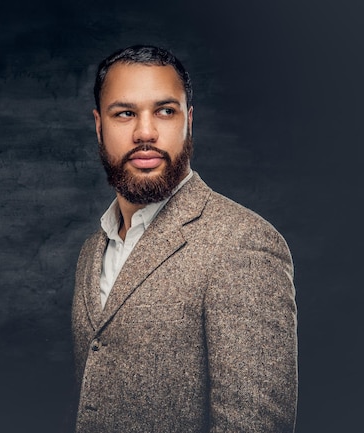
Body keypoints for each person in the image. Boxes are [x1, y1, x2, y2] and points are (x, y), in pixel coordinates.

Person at [71, 45, 298, 433]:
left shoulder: (243, 242)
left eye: (165, 110)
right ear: (98, 125)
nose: (145, 132)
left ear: (189, 120)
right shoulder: (94, 247)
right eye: (125, 113)